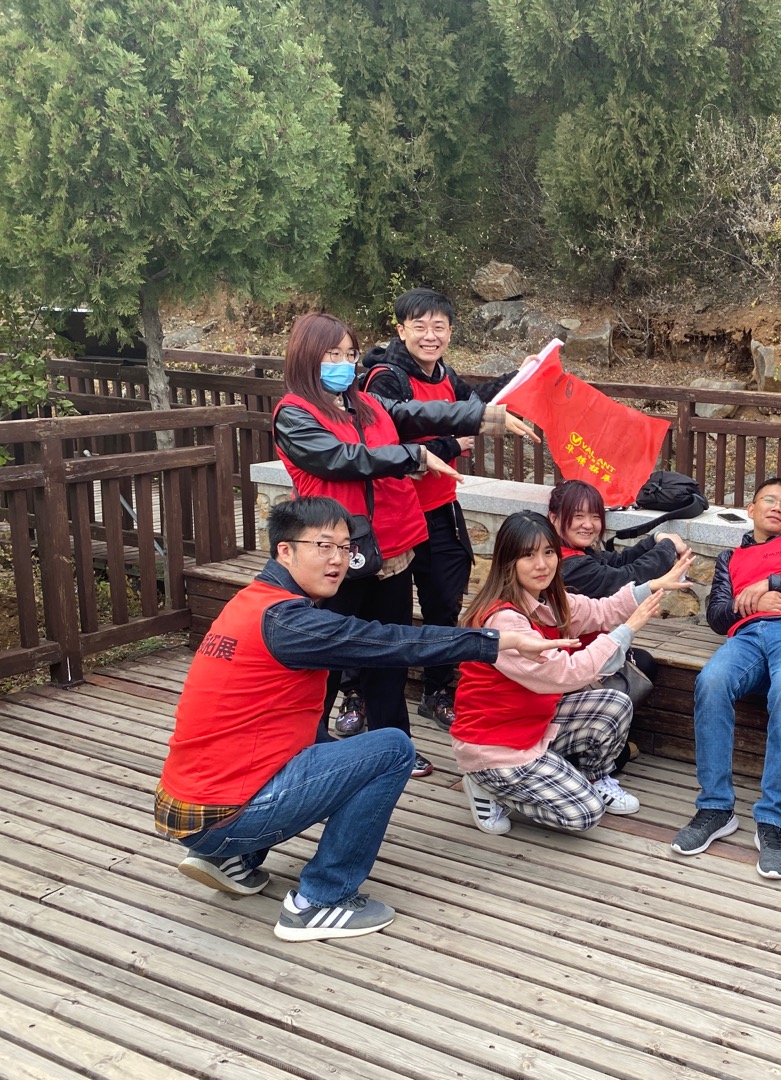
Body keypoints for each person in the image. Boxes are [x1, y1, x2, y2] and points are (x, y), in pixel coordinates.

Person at [155, 497, 573, 942]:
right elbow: (392, 642)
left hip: (190, 806)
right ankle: (321, 900)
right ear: (285, 551)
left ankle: (233, 859)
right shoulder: (289, 622)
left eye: (345, 546)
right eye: (323, 546)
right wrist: (496, 641)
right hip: (223, 816)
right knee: (392, 749)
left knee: (331, 746)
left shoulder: (255, 602)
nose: (339, 559)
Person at [272, 312, 530, 778]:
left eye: (349, 354)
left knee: (391, 652)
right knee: (325, 657)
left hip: (391, 549)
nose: (344, 364)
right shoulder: (295, 414)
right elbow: (341, 459)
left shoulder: (368, 403)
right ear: (306, 357)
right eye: (331, 355)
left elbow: (422, 413)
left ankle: (394, 746)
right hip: (333, 555)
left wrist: (486, 417)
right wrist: (414, 456)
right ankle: (305, 746)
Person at [450, 512, 693, 835]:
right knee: (585, 814)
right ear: (508, 561)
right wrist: (627, 630)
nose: (542, 564)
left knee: (614, 704)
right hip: (497, 746)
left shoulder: (550, 600)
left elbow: (602, 610)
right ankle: (487, 785)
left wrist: (652, 587)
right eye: (528, 555)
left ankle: (593, 777)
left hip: (533, 724)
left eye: (548, 552)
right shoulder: (502, 620)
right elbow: (564, 674)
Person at [360, 287, 528, 731]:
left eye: (439, 326)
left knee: (444, 605)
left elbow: (471, 406)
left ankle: (436, 690)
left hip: (440, 511)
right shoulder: (385, 378)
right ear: (401, 330)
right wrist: (452, 444)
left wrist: (520, 374)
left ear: (451, 332)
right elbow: (389, 444)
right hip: (393, 518)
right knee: (381, 616)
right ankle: (360, 697)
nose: (430, 335)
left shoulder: (444, 374)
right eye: (419, 326)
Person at [671, 477, 781, 880]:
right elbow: (718, 617)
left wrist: (772, 583)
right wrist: (750, 601)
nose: (778, 506)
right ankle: (716, 808)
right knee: (711, 683)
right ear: (751, 510)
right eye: (769, 499)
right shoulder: (730, 558)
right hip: (747, 636)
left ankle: (773, 823)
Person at [548, 476, 691, 682]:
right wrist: (667, 546)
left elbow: (618, 561)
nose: (588, 525)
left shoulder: (571, 551)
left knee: (644, 663)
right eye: (578, 516)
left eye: (595, 516)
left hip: (589, 649)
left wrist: (656, 538)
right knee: (644, 666)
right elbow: (625, 578)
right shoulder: (568, 566)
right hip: (572, 665)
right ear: (553, 518)